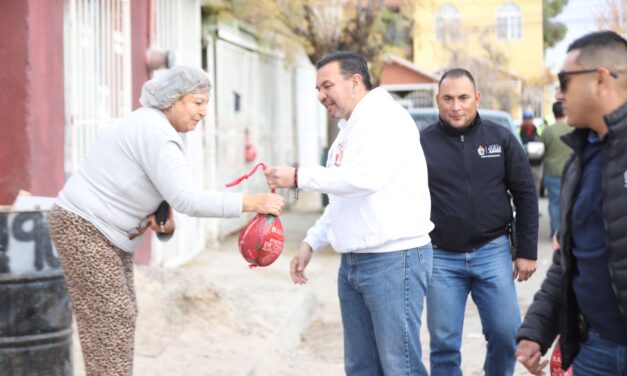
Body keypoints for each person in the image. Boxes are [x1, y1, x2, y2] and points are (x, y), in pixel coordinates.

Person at [48, 66, 284, 376]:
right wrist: (251, 202)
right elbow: (187, 199)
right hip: (84, 227)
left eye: (206, 104)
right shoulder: (156, 133)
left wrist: (163, 225)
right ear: (172, 99)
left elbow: (164, 198)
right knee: (112, 316)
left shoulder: (162, 130)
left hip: (103, 231)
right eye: (197, 102)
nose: (203, 112)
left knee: (118, 316)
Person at [265, 51, 433, 375]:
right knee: (361, 368)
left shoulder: (386, 118)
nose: (321, 96)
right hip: (354, 263)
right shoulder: (346, 131)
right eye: (317, 89)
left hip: (394, 260)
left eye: (327, 85)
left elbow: (366, 178)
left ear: (355, 81)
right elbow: (342, 197)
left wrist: (299, 176)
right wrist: (311, 242)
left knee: (401, 367)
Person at [516, 31, 627, 376]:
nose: (559, 94)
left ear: (600, 79)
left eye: (565, 81)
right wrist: (537, 331)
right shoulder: (578, 161)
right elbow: (568, 259)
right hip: (596, 349)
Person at [419, 68, 539, 375]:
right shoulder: (421, 145)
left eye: (463, 97)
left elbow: (525, 194)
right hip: (441, 256)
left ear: (477, 98)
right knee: (444, 344)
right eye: (448, 98)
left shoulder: (501, 139)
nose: (455, 106)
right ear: (438, 101)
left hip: (492, 252)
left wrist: (527, 250)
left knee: (506, 334)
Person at [540, 101, 572, 236]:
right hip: (570, 171)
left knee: (554, 203)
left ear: (553, 113)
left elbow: (541, 150)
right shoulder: (572, 129)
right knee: (568, 203)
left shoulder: (548, 131)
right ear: (564, 112)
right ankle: (566, 232)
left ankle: (555, 233)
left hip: (551, 172)